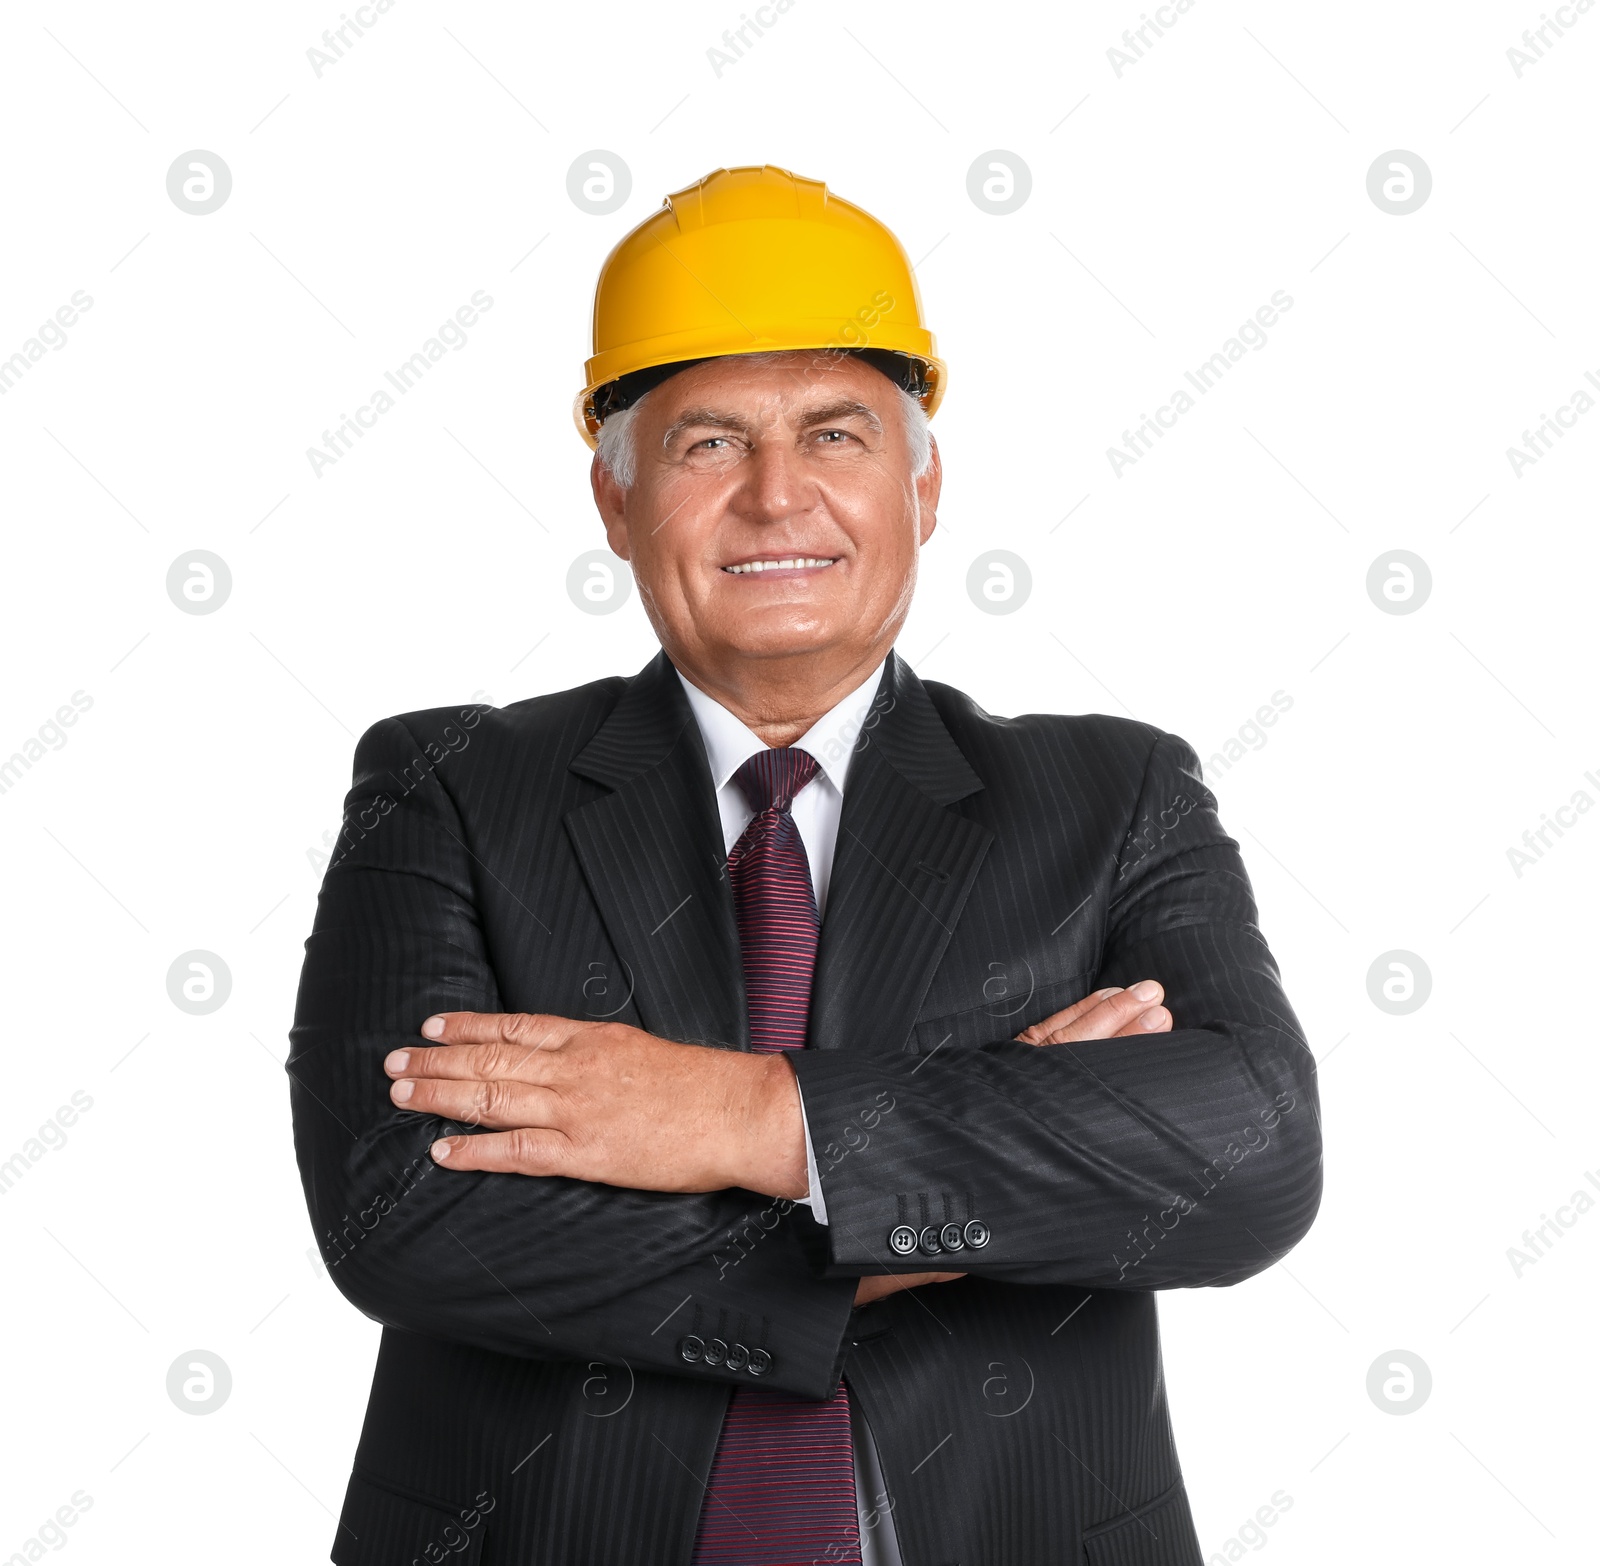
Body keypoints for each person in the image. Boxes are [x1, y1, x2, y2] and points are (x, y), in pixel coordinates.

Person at [289, 164, 1321, 1566]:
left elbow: (1248, 1151)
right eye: (708, 442)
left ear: (924, 483)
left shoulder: (1110, 796)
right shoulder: (451, 788)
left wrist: (737, 1117)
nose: (779, 497)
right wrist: (950, 1201)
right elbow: (401, 1212)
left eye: (835, 432)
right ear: (616, 496)